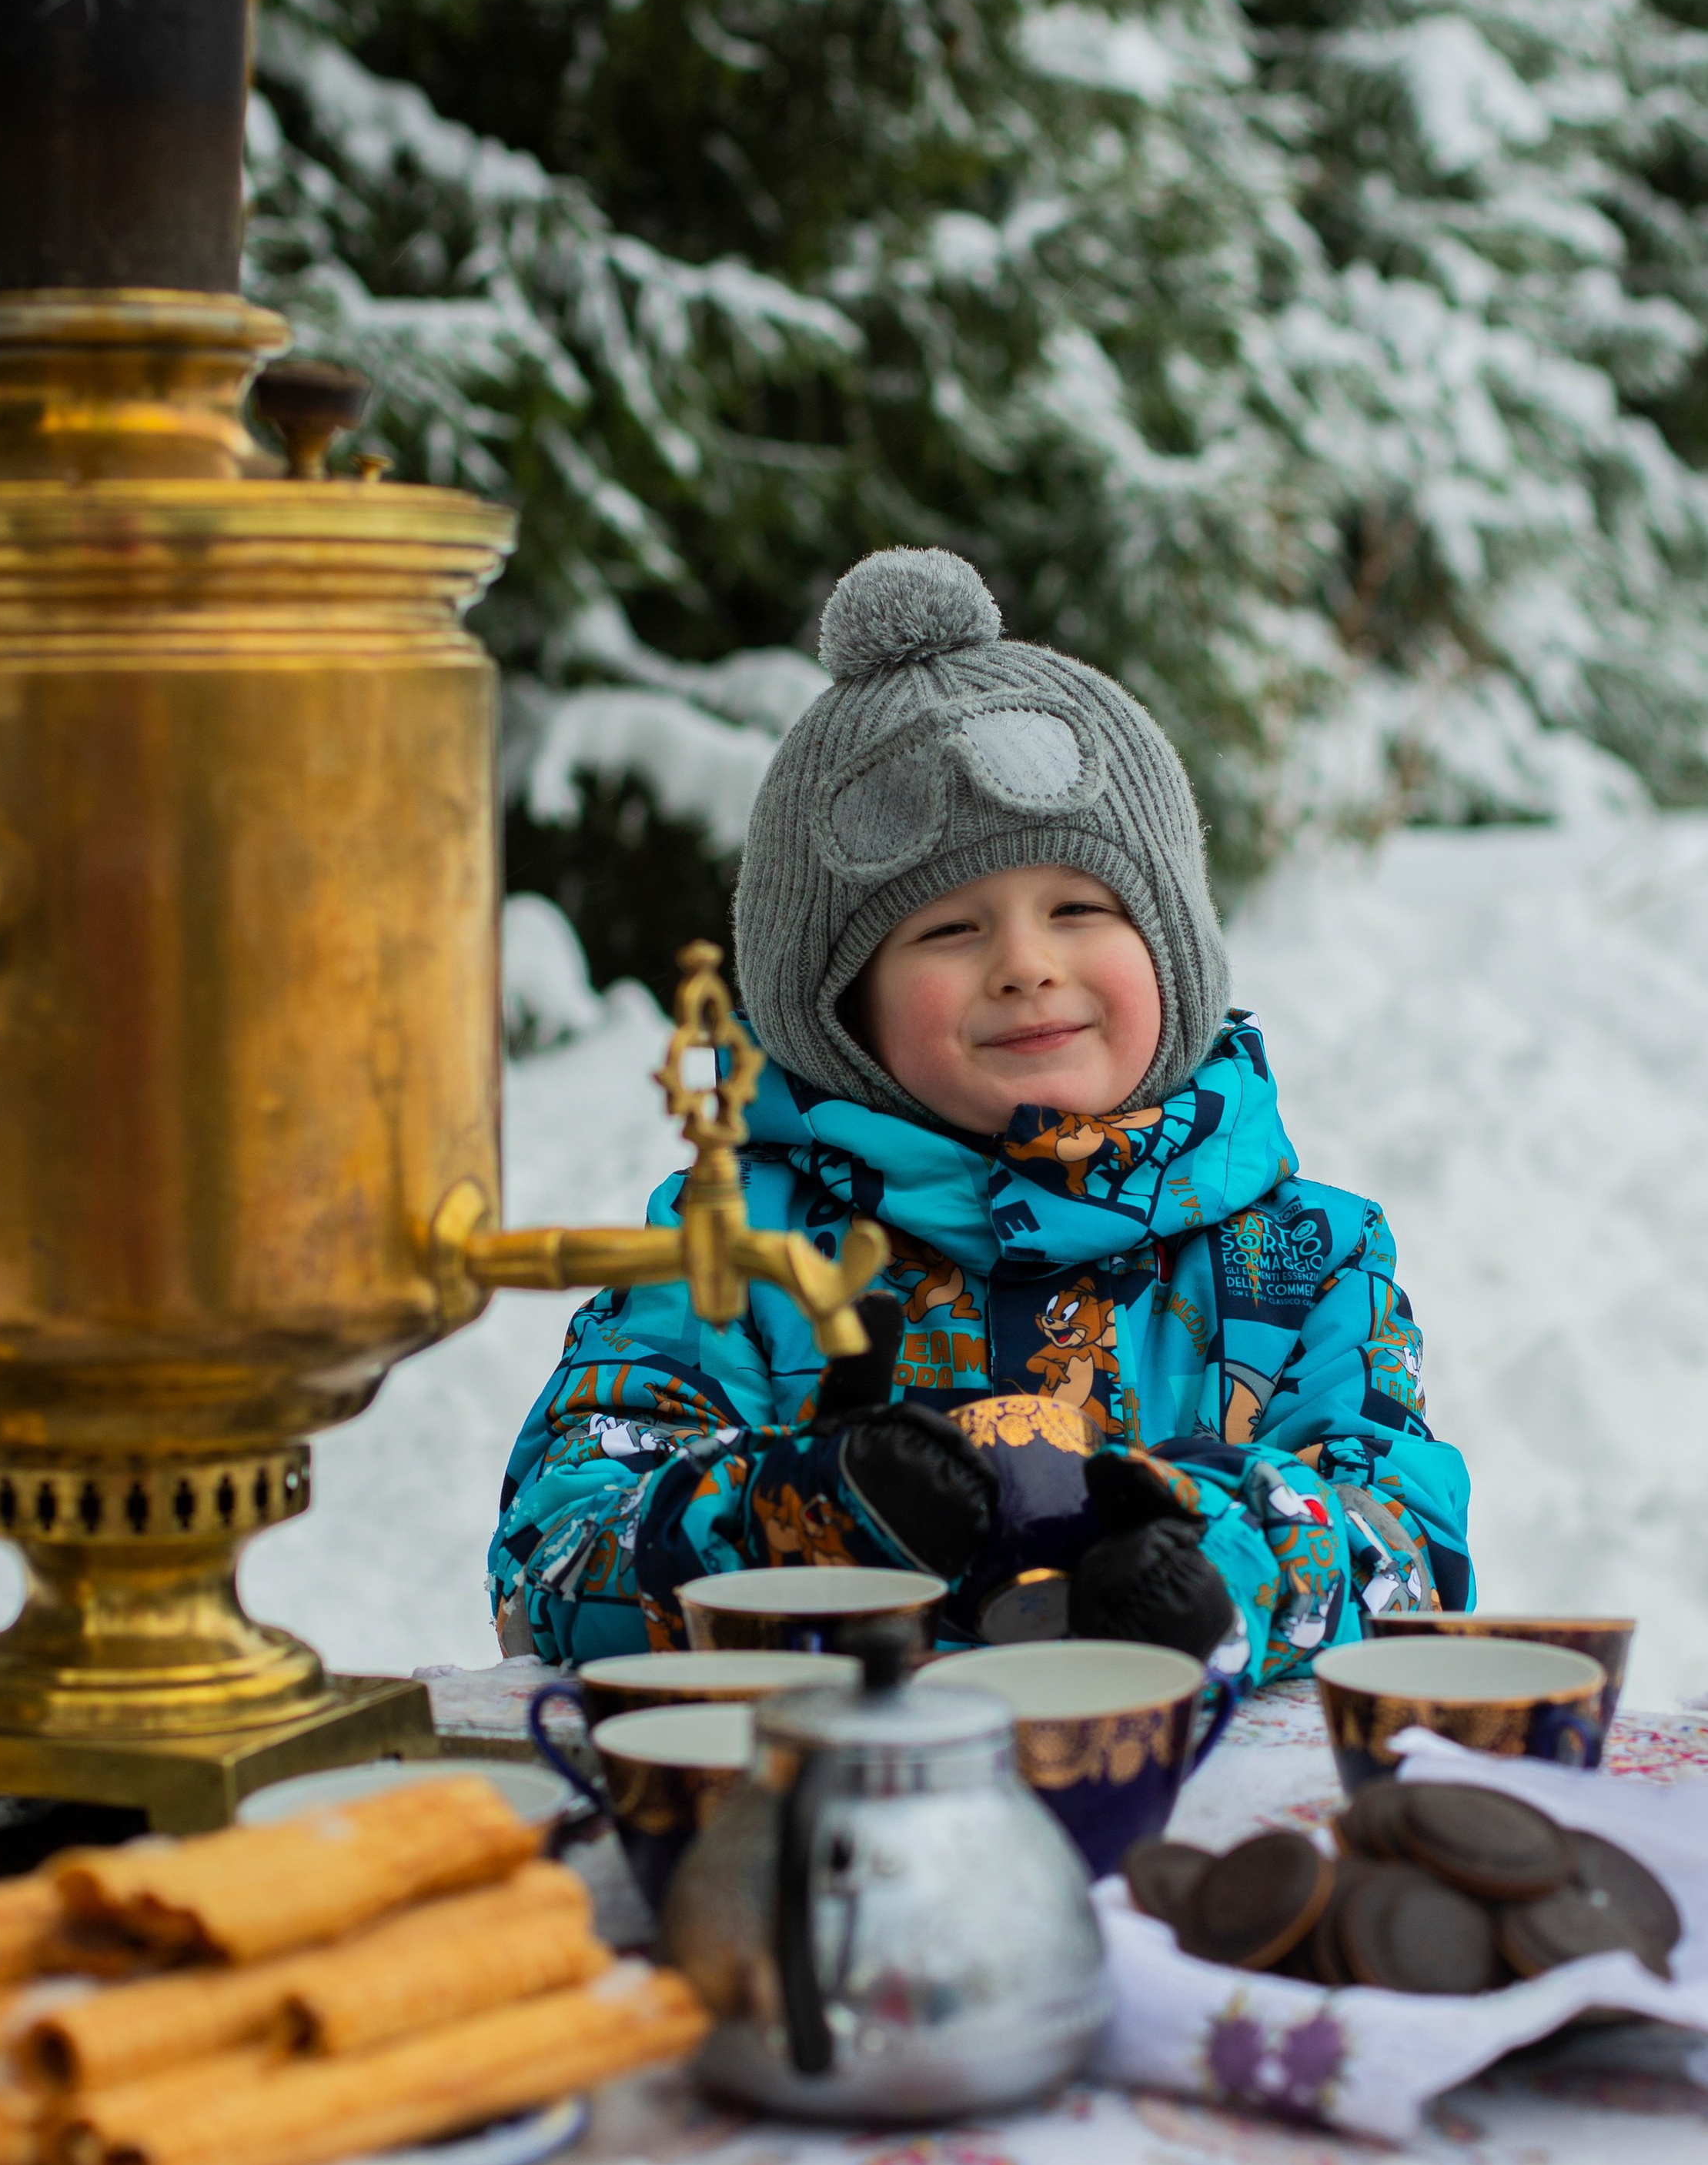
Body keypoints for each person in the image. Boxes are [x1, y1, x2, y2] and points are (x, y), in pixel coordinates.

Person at [490, 549, 1470, 1678]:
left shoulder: (1306, 1261)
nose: (1026, 965)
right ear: (839, 1009)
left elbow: (1408, 1554)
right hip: (838, 1818)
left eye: (1080, 906)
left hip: (1210, 1827)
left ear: (1175, 953)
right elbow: (549, 1568)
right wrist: (796, 1520)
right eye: (948, 930)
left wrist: (1216, 1565)